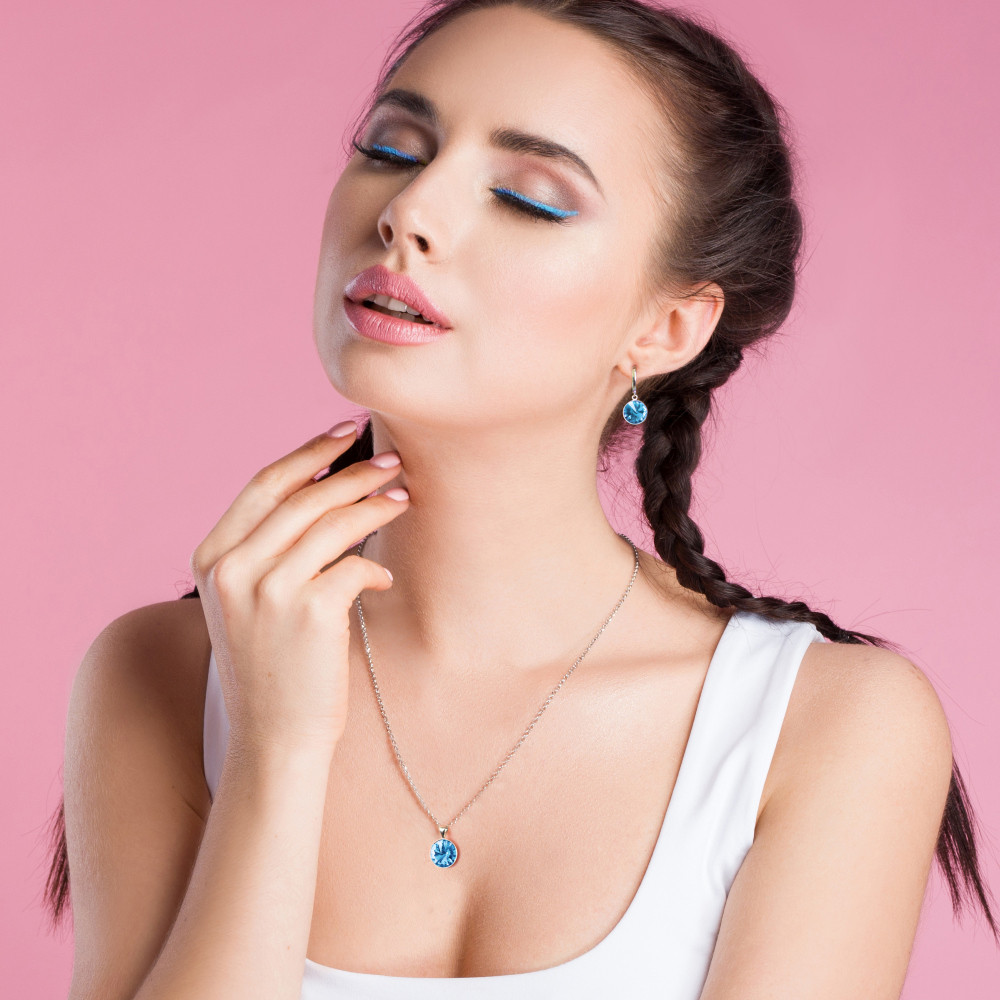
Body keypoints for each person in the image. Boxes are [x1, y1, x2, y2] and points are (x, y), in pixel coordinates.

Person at [45, 1, 997, 998]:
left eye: (528, 199)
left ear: (667, 328)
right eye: (391, 149)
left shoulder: (824, 726)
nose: (407, 212)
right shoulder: (161, 673)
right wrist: (272, 756)